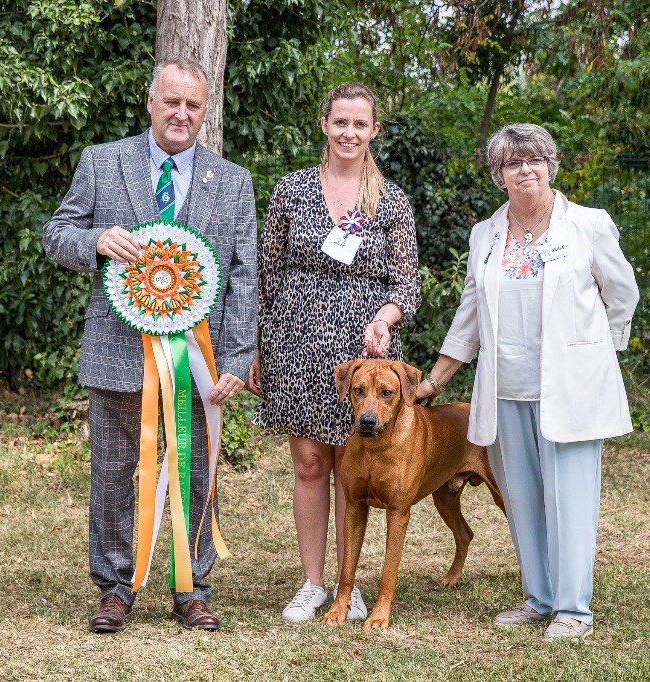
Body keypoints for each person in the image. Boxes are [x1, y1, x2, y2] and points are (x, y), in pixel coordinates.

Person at [42, 59, 257, 633]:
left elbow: (244, 276)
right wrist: (95, 240)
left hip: (199, 359)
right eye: (172, 101)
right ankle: (115, 588)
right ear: (151, 102)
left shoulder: (233, 180)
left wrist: (238, 358)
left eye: (193, 104)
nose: (181, 113)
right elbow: (56, 234)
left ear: (205, 110)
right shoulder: (101, 161)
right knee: (114, 472)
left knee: (195, 472)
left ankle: (191, 588)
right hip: (117, 352)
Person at [414, 123, 639, 641]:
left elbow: (622, 295)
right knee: (521, 497)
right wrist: (435, 380)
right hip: (505, 388)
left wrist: (597, 354)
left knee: (570, 499)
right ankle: (539, 598)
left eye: (534, 159)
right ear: (500, 175)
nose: (525, 170)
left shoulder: (588, 224)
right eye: (513, 163)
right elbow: (469, 317)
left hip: (572, 388)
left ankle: (574, 609)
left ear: (550, 165)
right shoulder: (485, 235)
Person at [248, 82, 421, 622]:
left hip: (362, 346)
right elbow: (265, 272)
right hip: (295, 341)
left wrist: (384, 319)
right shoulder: (292, 189)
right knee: (308, 464)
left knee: (352, 465)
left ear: (374, 131)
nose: (349, 132)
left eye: (360, 124)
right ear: (324, 125)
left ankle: (350, 583)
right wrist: (257, 344)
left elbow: (408, 284)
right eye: (340, 122)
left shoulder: (390, 200)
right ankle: (313, 583)